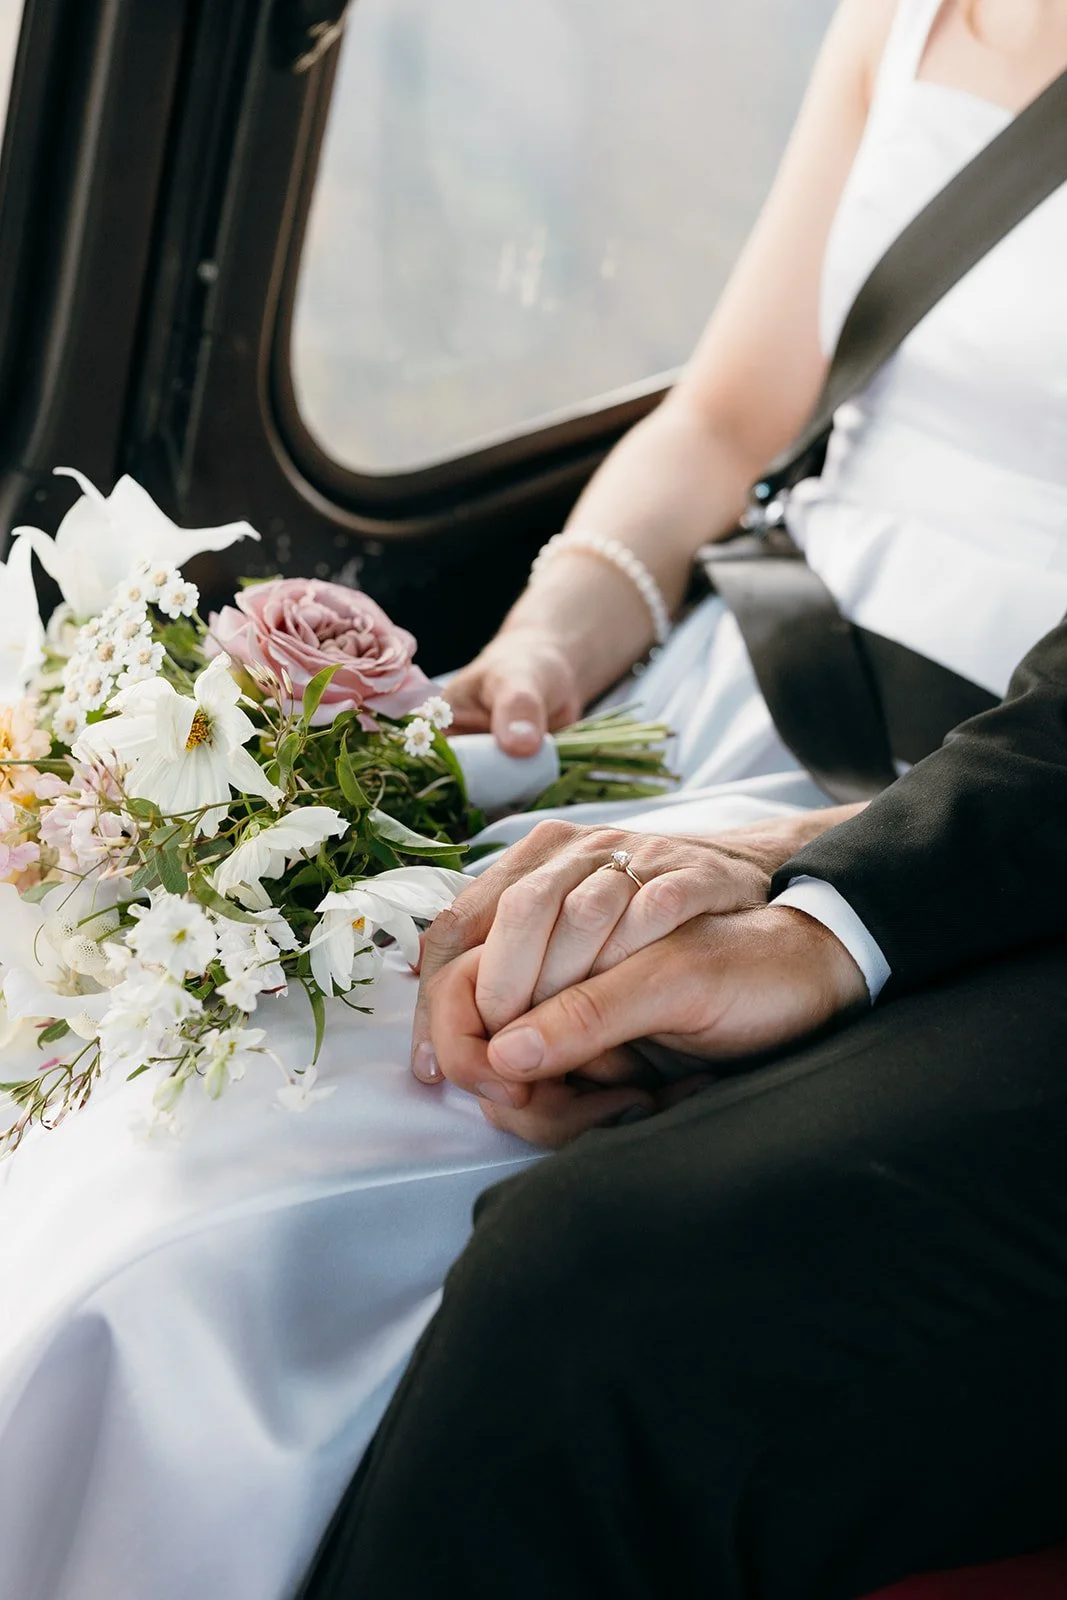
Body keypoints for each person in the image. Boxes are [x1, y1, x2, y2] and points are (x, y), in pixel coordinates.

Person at [297, 0, 1067, 1593]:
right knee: (329, 1021)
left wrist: (824, 877)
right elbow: (729, 414)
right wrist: (544, 650)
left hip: (986, 771)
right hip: (758, 676)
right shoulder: (903, 16)